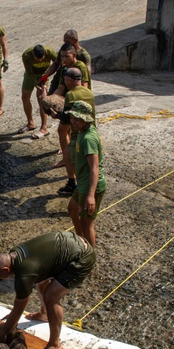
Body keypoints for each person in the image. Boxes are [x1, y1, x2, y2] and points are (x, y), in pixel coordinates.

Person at [0, 230, 96, 349]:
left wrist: (3, 331)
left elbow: (19, 306)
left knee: (51, 297)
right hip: (71, 242)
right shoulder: (14, 253)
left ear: (5, 270)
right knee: (40, 280)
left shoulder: (24, 274)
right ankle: (44, 314)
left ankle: (54, 345)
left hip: (82, 257)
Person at [66, 101, 106, 247]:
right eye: (72, 118)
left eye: (77, 119)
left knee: (86, 224)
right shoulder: (83, 131)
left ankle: (88, 259)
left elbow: (94, 168)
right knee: (72, 208)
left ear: (86, 119)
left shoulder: (88, 139)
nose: (73, 122)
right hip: (82, 183)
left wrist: (90, 195)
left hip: (90, 187)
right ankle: (80, 242)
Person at [56, 66, 95, 197]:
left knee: (70, 158)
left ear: (69, 79)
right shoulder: (88, 92)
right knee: (87, 162)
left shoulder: (71, 94)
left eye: (66, 79)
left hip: (78, 132)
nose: (65, 81)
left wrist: (55, 114)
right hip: (91, 130)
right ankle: (74, 184)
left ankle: (81, 187)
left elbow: (67, 119)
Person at [18, 44, 58, 136]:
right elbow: (29, 72)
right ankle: (30, 123)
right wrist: (36, 85)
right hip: (31, 74)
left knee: (41, 98)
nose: (40, 60)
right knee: (25, 96)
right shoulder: (26, 55)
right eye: (37, 59)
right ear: (33, 54)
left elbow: (57, 64)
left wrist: (47, 80)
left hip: (44, 74)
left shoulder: (50, 52)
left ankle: (44, 127)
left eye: (42, 58)